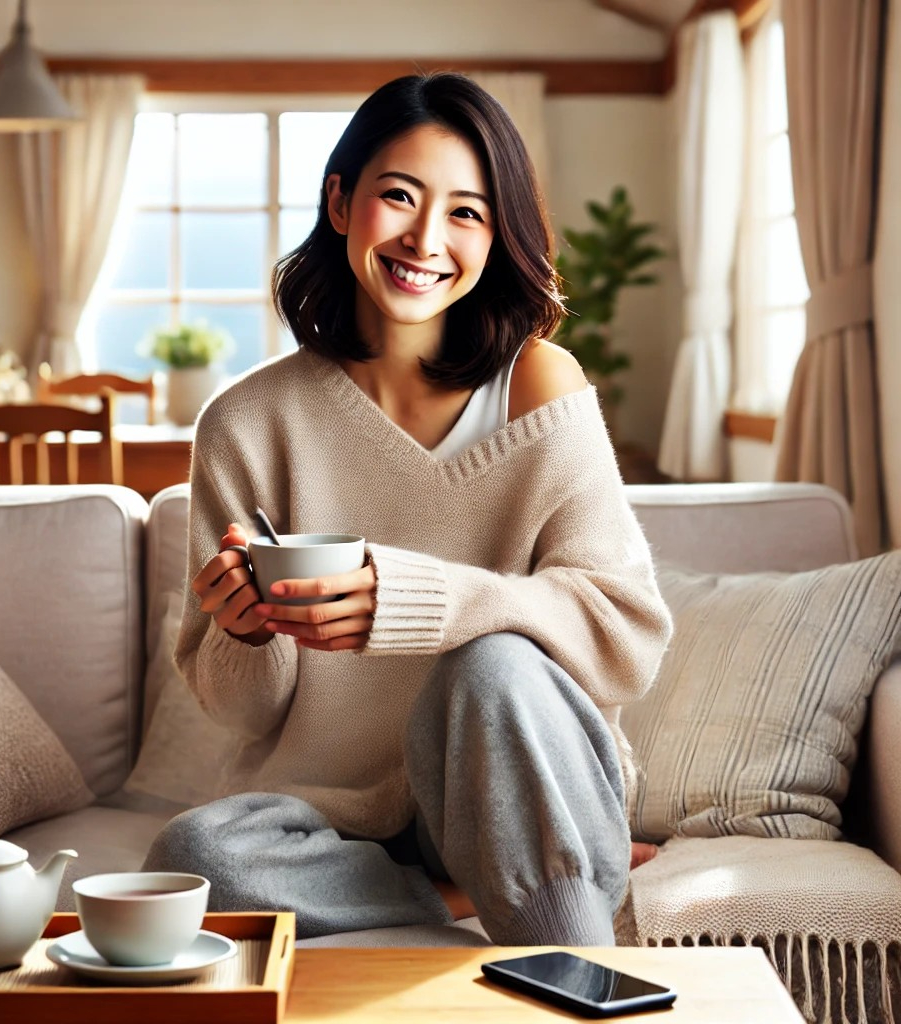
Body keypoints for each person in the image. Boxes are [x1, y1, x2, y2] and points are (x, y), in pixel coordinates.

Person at [143, 71, 672, 946]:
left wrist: (422, 601)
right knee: (199, 853)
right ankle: (467, 892)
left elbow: (627, 634)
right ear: (342, 202)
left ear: (498, 236)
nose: (427, 239)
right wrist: (244, 635)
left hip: (514, 779)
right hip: (338, 815)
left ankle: (574, 957)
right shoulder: (246, 423)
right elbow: (241, 716)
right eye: (400, 197)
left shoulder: (539, 386)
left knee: (493, 665)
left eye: (467, 212)